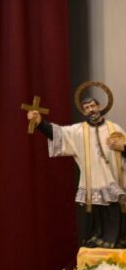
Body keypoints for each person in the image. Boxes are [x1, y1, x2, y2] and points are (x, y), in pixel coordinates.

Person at [28, 87, 126, 247]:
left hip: (113, 177)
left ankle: (117, 240)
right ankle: (97, 238)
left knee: (114, 208)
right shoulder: (79, 131)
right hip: (93, 180)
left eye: (93, 106)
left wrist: (123, 147)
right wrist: (40, 123)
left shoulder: (114, 128)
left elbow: (125, 146)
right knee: (95, 211)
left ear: (99, 106)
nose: (91, 110)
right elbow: (58, 133)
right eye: (87, 108)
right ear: (83, 111)